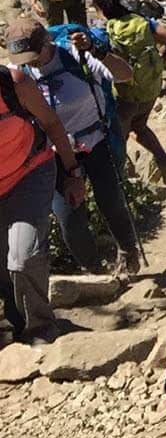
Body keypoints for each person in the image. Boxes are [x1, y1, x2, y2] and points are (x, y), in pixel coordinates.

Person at [9, 18, 142, 277]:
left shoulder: (74, 56)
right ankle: (93, 271)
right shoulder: (19, 74)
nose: (30, 62)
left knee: (111, 202)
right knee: (68, 218)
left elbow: (125, 75)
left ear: (47, 42)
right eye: (23, 58)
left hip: (96, 142)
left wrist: (97, 50)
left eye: (33, 55)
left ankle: (128, 253)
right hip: (55, 154)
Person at [0, 53, 86, 345]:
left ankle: (40, 329)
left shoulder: (14, 83)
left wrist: (73, 172)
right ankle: (17, 322)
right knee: (3, 263)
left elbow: (51, 123)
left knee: (23, 257)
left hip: (29, 174)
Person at [93, 0, 166, 182]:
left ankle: (120, 184)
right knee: (140, 126)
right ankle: (165, 162)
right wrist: (160, 63)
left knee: (119, 138)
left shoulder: (104, 32)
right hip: (150, 87)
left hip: (125, 95)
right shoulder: (142, 21)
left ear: (97, 7)